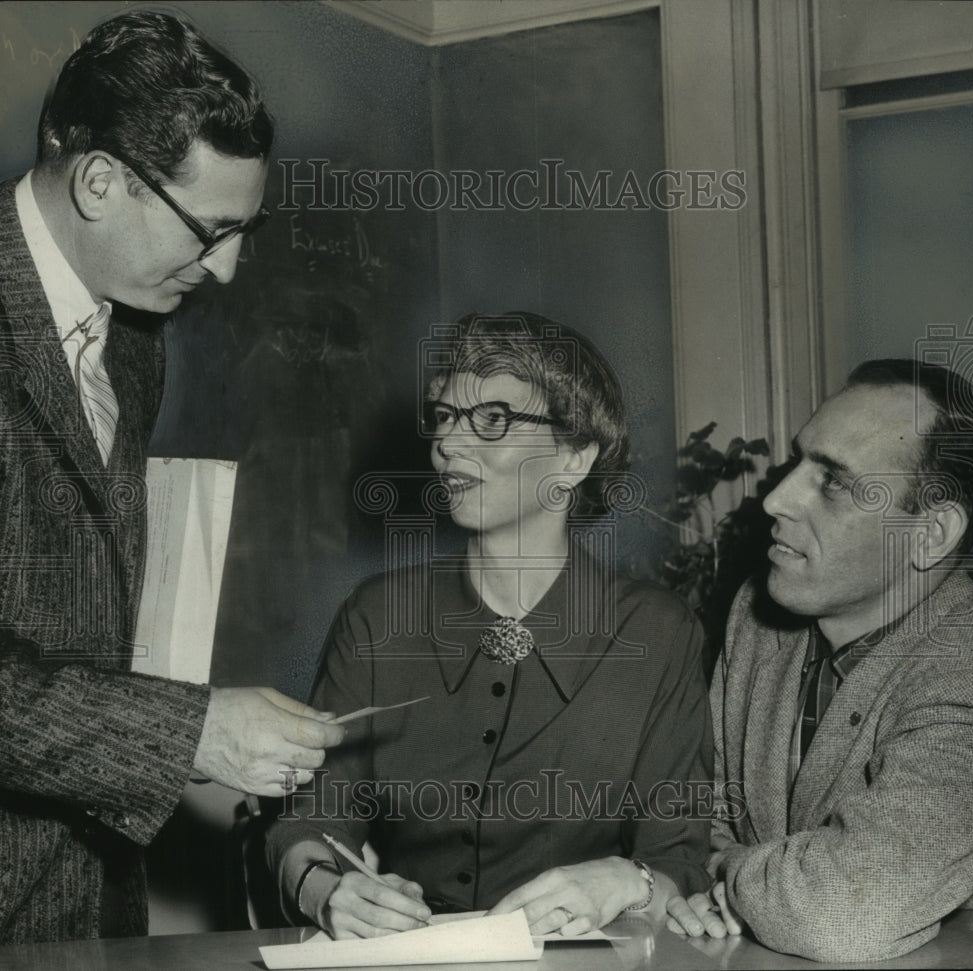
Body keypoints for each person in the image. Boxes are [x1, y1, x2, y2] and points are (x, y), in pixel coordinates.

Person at [0, 12, 344, 943]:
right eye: (210, 229)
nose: (228, 269)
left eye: (247, 229)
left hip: (86, 907)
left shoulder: (137, 336)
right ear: (101, 180)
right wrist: (185, 732)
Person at [266, 312, 715, 938]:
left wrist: (624, 883)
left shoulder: (657, 633)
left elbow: (677, 861)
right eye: (445, 416)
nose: (449, 443)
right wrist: (325, 890)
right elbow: (309, 823)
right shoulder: (376, 617)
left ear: (575, 455)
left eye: (493, 420)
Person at [668, 358, 973, 961]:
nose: (775, 499)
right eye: (798, 461)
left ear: (929, 534)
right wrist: (747, 877)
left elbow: (845, 911)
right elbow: (698, 817)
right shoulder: (759, 613)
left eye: (833, 482)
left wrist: (728, 875)